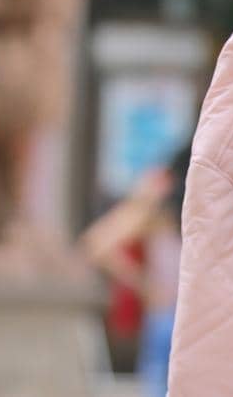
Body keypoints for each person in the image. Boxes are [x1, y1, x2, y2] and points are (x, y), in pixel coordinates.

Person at [79, 144, 189, 397]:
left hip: (166, 315)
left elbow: (96, 244)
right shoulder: (168, 210)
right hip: (184, 315)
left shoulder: (157, 210)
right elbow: (96, 245)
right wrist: (146, 285)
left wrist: (146, 284)